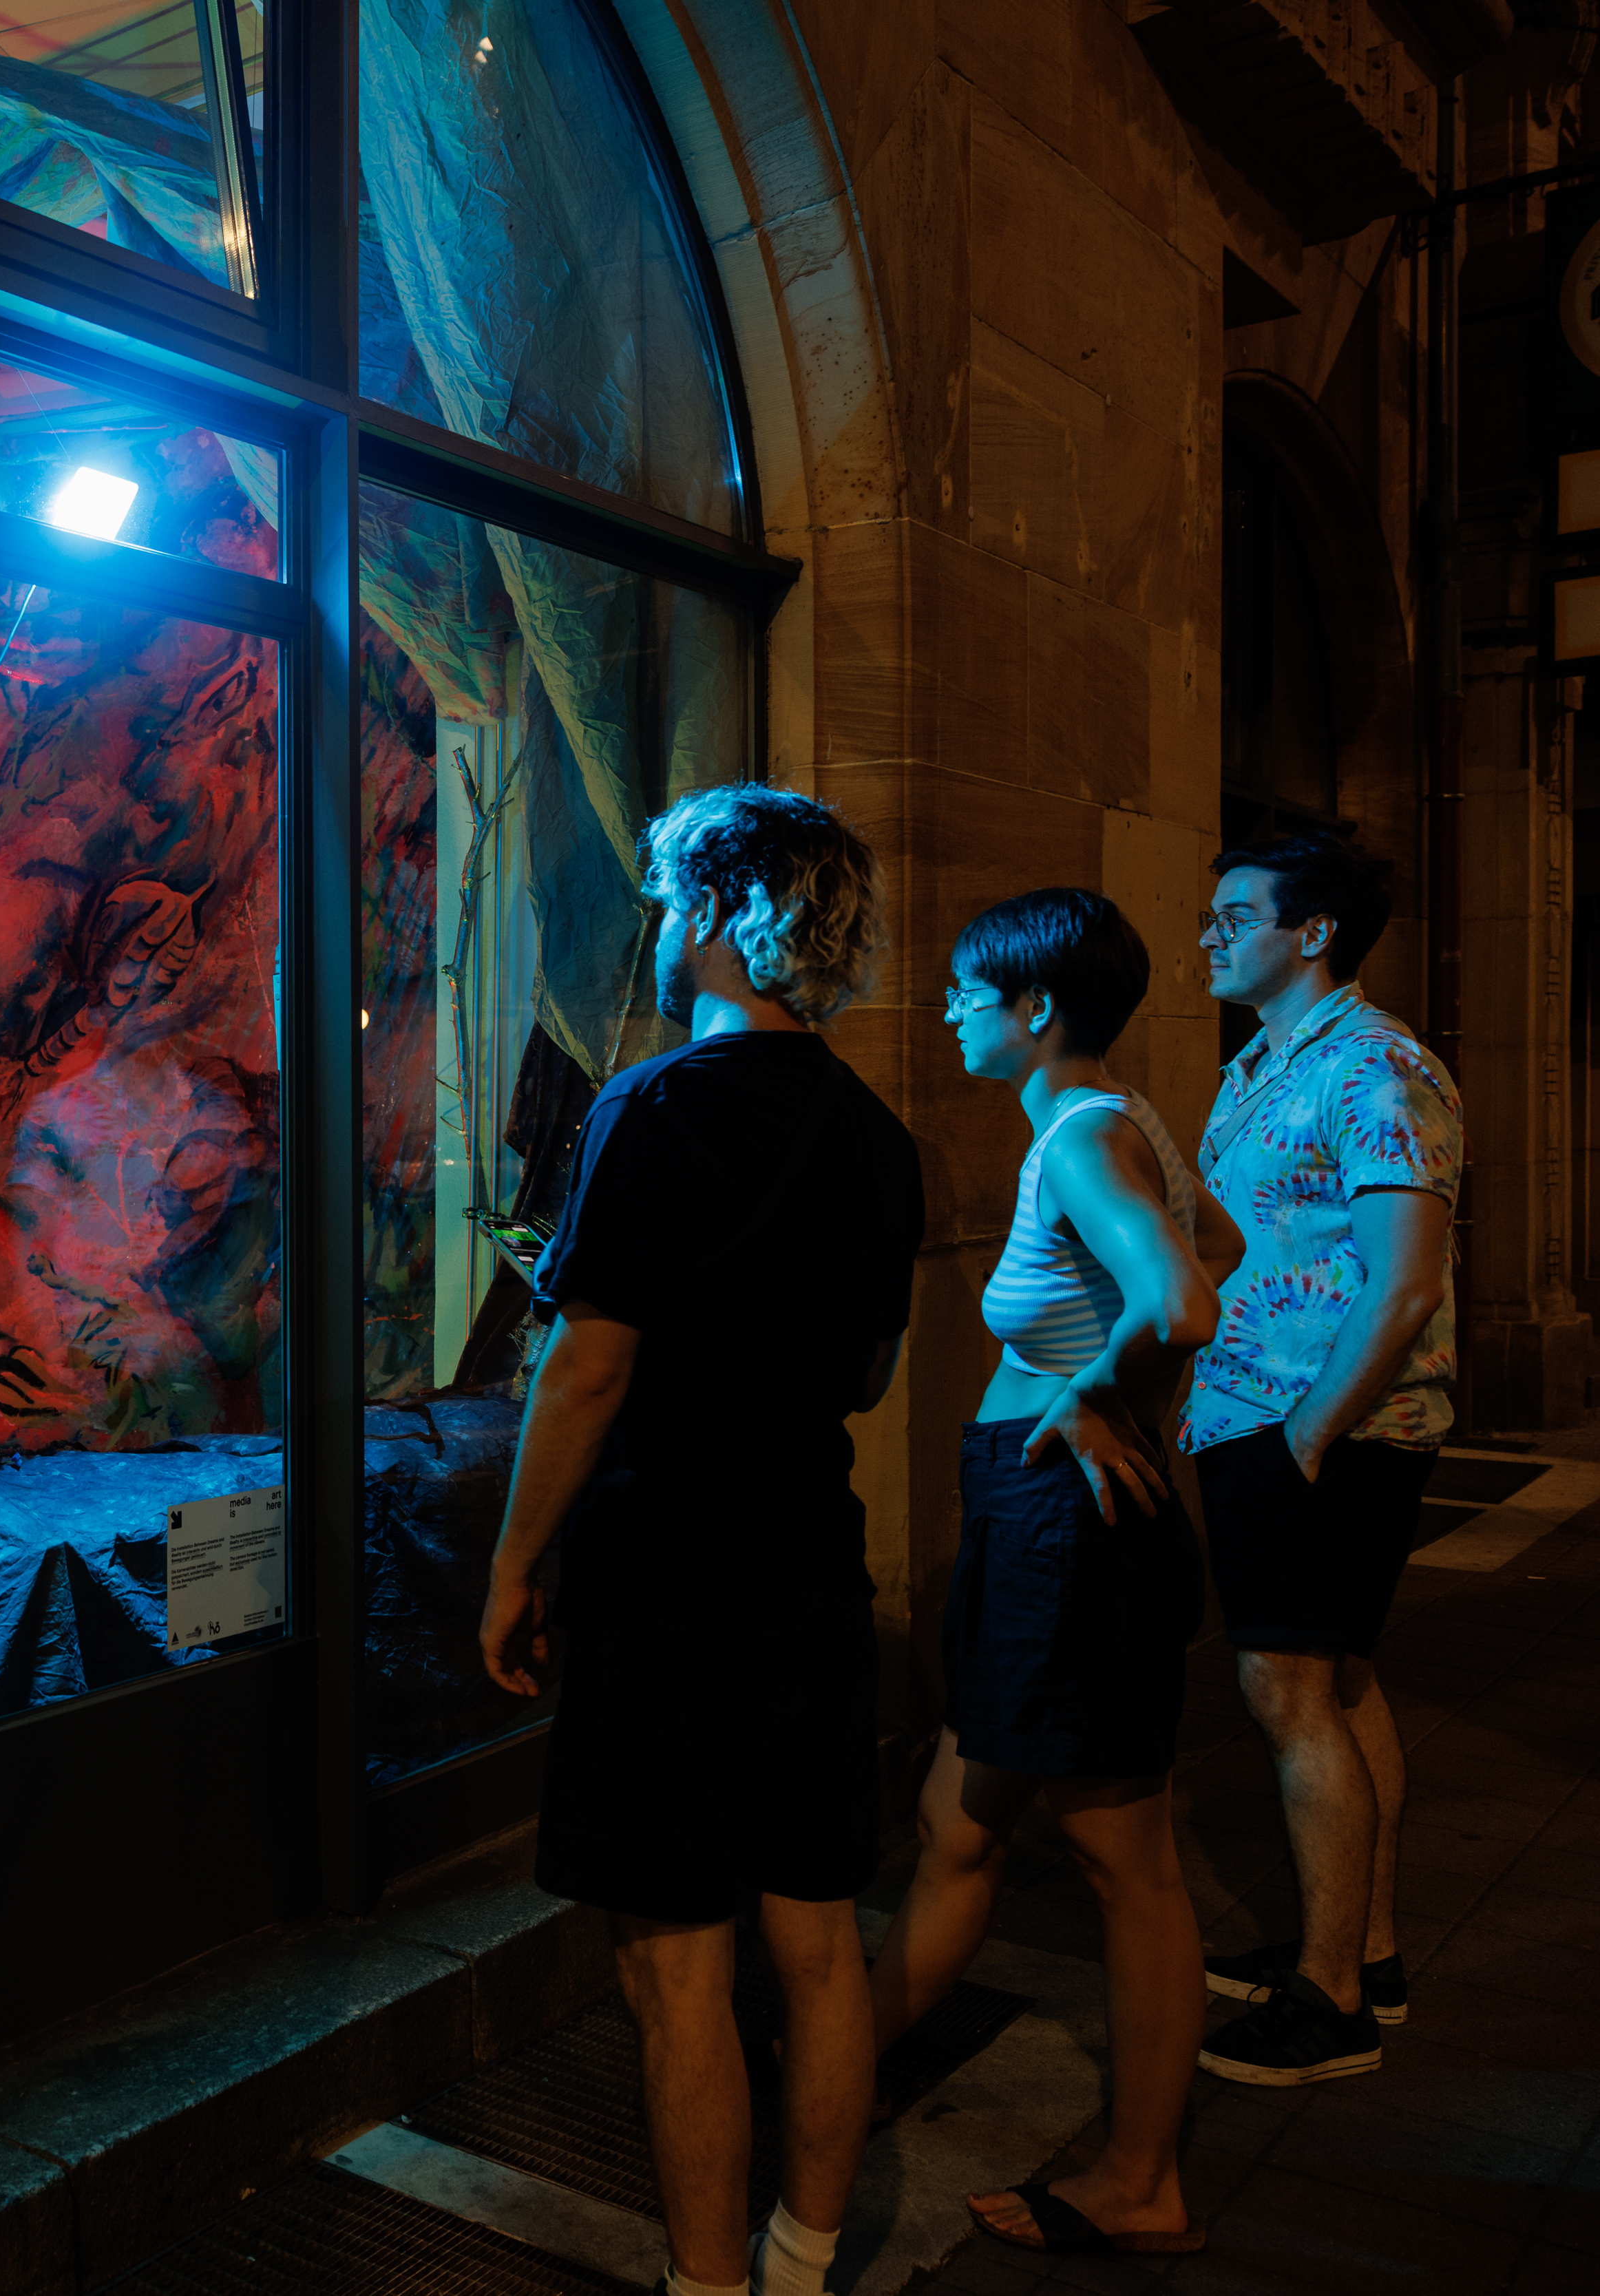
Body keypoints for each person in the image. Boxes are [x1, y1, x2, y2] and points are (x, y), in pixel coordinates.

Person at [478, 784, 920, 2296]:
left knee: (675, 1966)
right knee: (814, 1938)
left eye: (672, 903)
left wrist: (513, 1563)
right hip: (811, 1565)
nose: (660, 933)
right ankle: (800, 2257)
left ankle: (707, 2285)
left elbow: (588, 1363)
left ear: (730, 919)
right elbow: (864, 1369)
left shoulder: (654, 1105)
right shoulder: (876, 1134)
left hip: (670, 1580)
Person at [867, 889, 1242, 2258]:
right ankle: (827, 2062)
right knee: (957, 1821)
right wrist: (1111, 1383)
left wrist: (1091, 1392)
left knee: (1122, 1863)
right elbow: (1222, 1249)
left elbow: (1185, 1297)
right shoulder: (1120, 1122)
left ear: (1033, 1011)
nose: (948, 1009)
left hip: (1067, 1539)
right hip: (1044, 1531)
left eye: (968, 989)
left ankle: (1143, 2184)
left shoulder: (1081, 1139)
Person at [1182, 834, 1458, 2086]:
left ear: (1314, 934)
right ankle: (1370, 1953)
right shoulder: (1260, 1067)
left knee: (1285, 1696)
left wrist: (1308, 1435)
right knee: (1338, 1686)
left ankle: (1330, 2000)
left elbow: (1405, 1286)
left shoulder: (1378, 1068)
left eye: (1234, 914)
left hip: (1322, 1430)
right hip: (1267, 1421)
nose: (1209, 932)